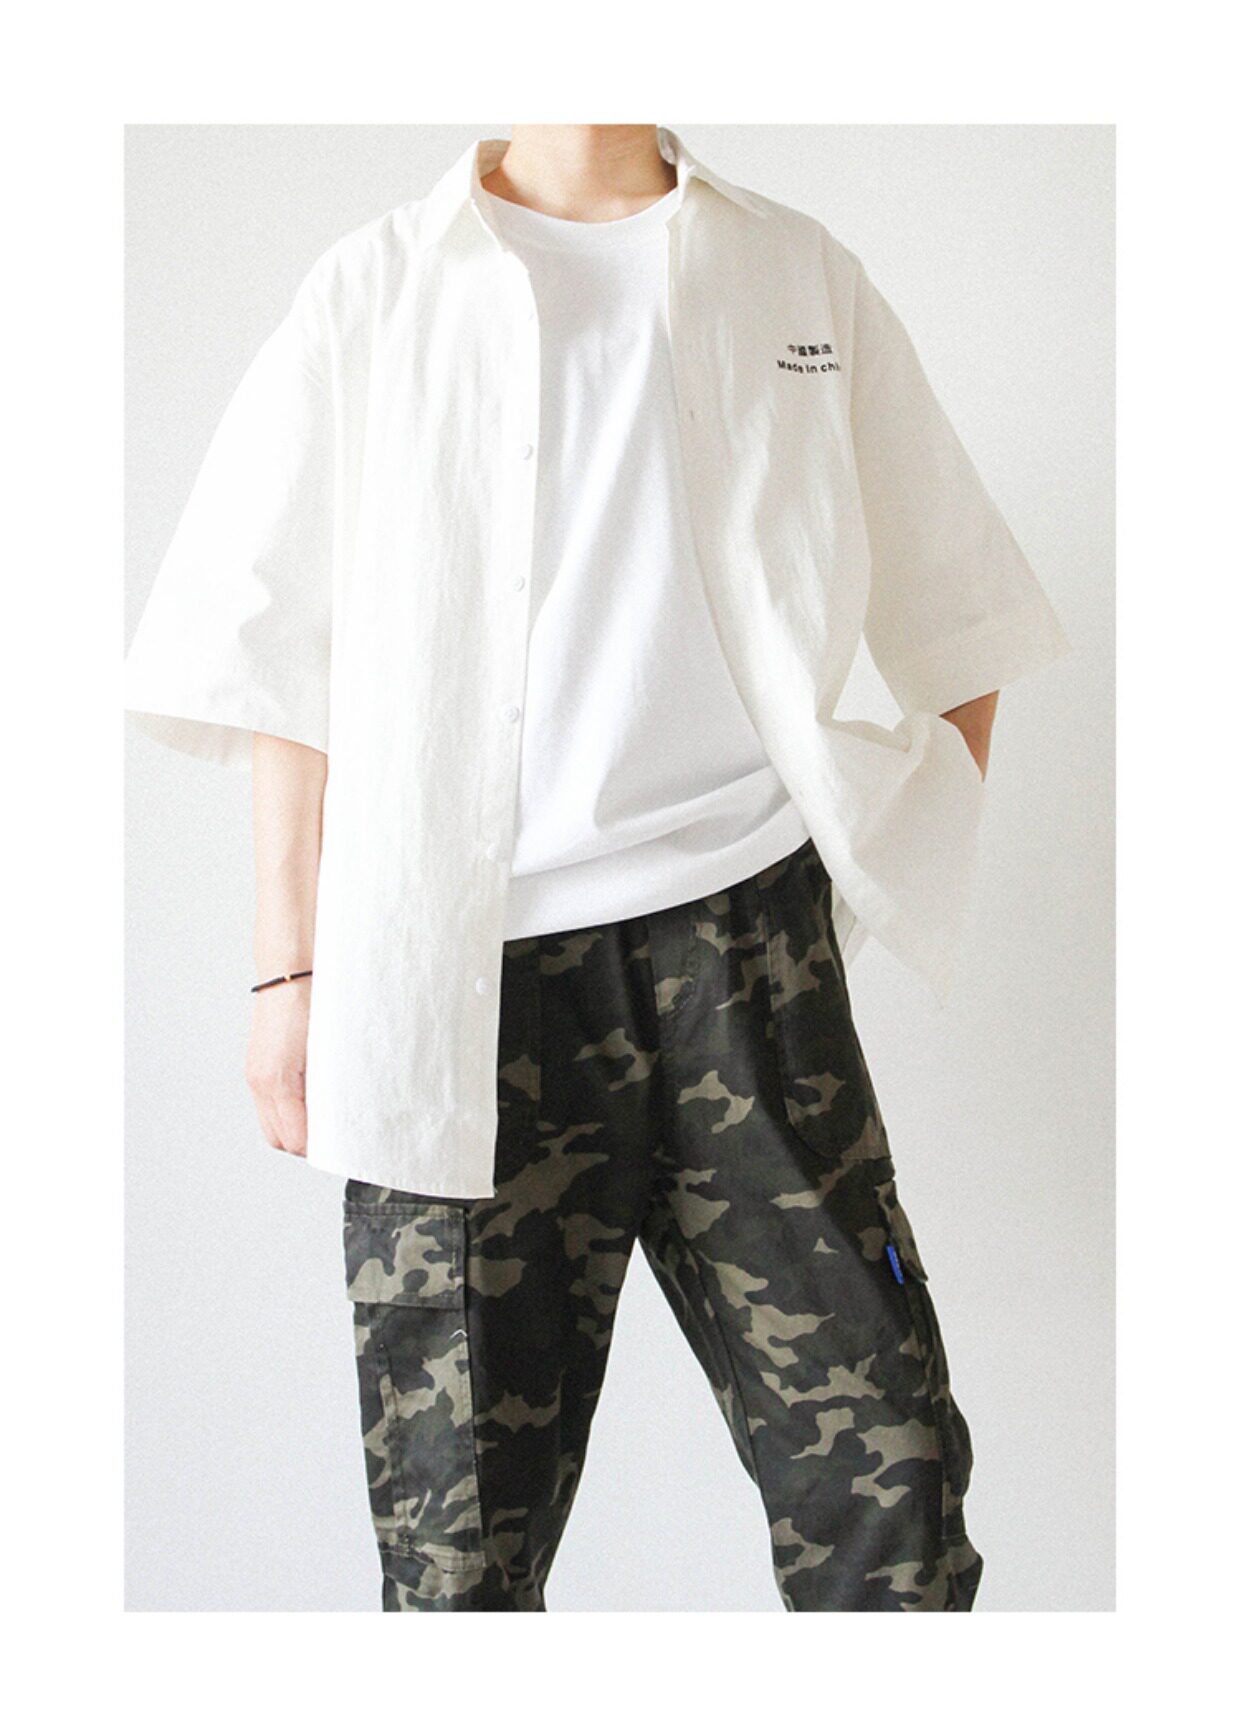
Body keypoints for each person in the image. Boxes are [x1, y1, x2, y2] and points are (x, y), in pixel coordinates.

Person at [124, 124, 1071, 1612]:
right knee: (458, 1562)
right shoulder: (376, 287)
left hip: (748, 954)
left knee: (891, 1499)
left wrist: (895, 831)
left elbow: (964, 605)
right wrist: (284, 975)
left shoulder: (793, 269)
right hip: (457, 983)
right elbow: (277, 661)